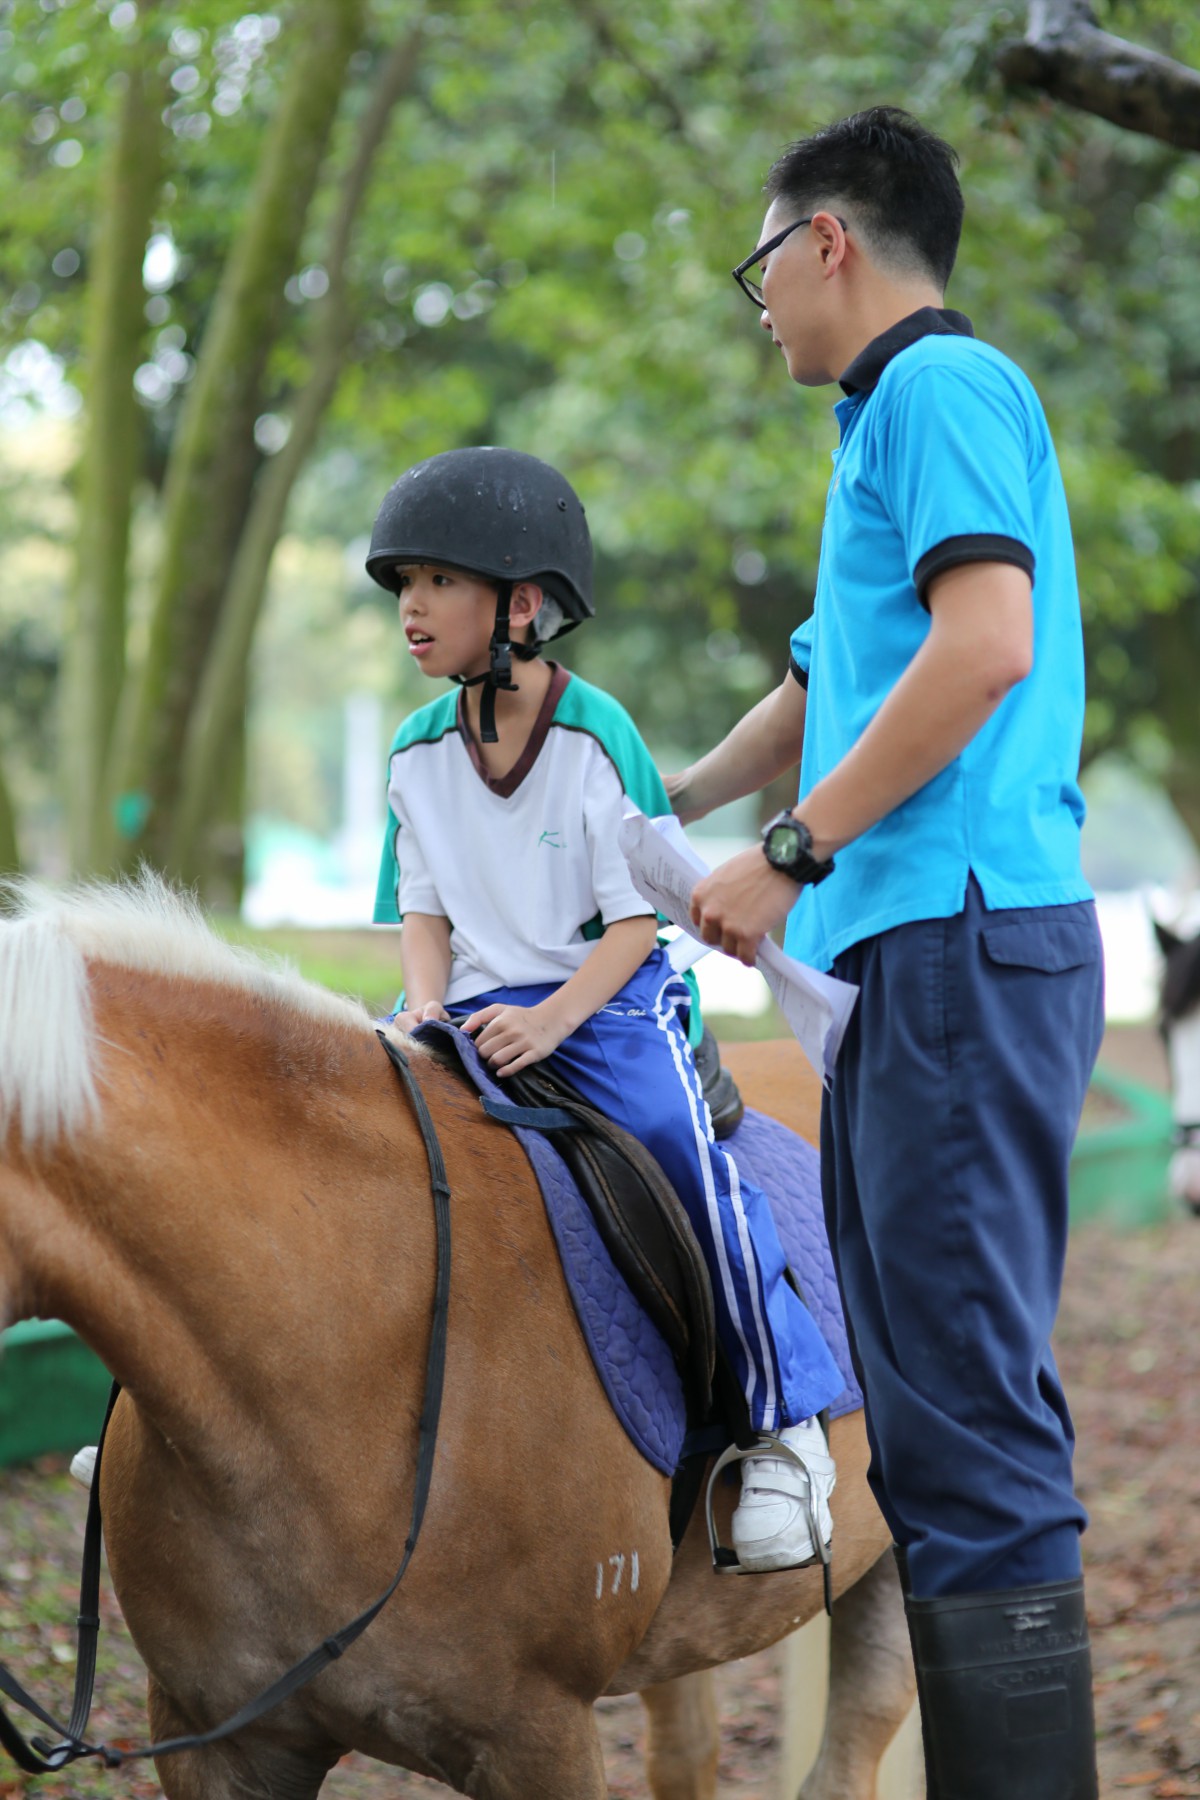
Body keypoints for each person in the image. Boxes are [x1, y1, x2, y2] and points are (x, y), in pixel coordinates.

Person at [671, 109, 1104, 1798]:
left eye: (760, 267)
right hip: (898, 971)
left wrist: (791, 851)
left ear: (827, 240)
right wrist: (660, 798)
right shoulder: (882, 429)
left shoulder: (941, 387)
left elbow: (983, 644)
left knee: (966, 1421)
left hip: (957, 944)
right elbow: (823, 686)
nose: (761, 305)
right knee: (925, 1422)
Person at [366, 445, 846, 1572]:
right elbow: (421, 913)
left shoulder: (598, 736)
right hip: (461, 1004)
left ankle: (785, 1426)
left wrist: (551, 1023)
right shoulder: (413, 750)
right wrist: (423, 1012)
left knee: (682, 1155)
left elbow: (637, 922)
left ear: (521, 606)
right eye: (405, 584)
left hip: (609, 1005)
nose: (412, 607)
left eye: (439, 580)